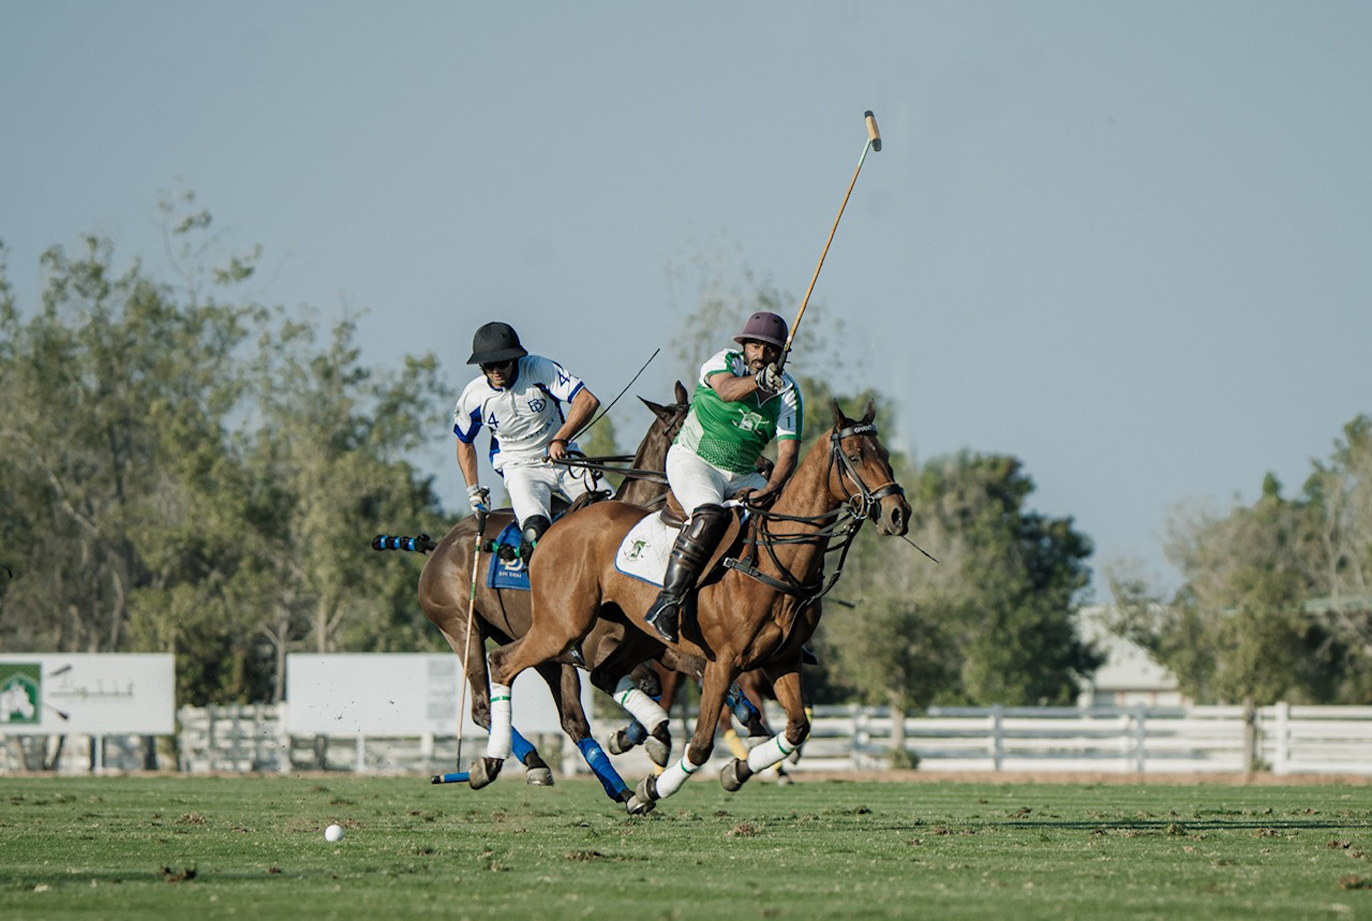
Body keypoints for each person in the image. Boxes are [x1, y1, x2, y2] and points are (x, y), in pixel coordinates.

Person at [643, 310, 803, 643]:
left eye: (769, 349)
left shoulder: (788, 393)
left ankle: (785, 615)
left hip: (743, 474)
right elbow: (728, 391)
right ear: (744, 346)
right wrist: (758, 382)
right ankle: (667, 603)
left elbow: (788, 454)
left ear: (780, 354)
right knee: (709, 514)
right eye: (754, 346)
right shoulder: (724, 362)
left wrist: (770, 490)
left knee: (787, 522)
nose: (760, 355)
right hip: (695, 460)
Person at [454, 321, 601, 564]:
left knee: (614, 510)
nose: (497, 371)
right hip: (520, 467)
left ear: (515, 359)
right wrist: (473, 491)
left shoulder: (539, 370)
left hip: (562, 457)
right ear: (481, 366)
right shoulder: (474, 397)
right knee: (534, 533)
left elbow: (586, 400)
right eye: (490, 366)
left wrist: (560, 438)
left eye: (503, 363)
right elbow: (464, 442)